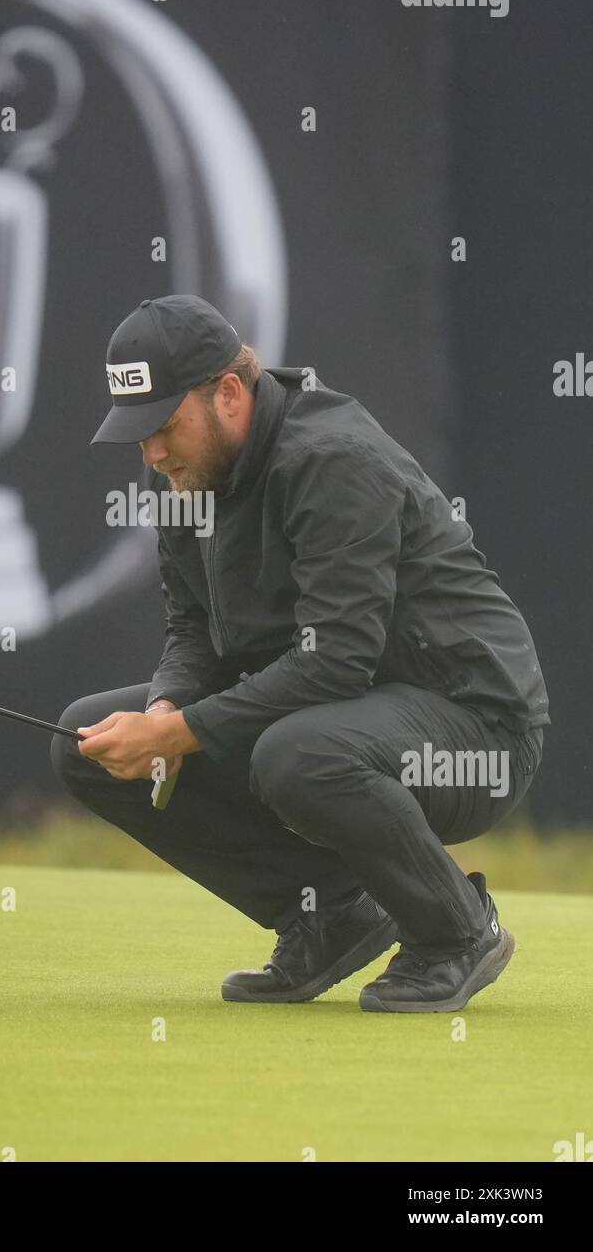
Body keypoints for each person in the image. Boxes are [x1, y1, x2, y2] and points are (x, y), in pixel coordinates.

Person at [50, 294, 549, 1013]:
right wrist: (164, 707)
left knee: (296, 753)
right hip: (342, 716)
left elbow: (336, 660)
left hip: (477, 726)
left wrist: (178, 732)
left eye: (164, 426)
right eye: (137, 436)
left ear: (228, 393)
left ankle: (457, 934)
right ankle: (328, 913)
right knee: (84, 744)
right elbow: (194, 629)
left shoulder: (333, 459)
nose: (153, 454)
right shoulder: (185, 476)